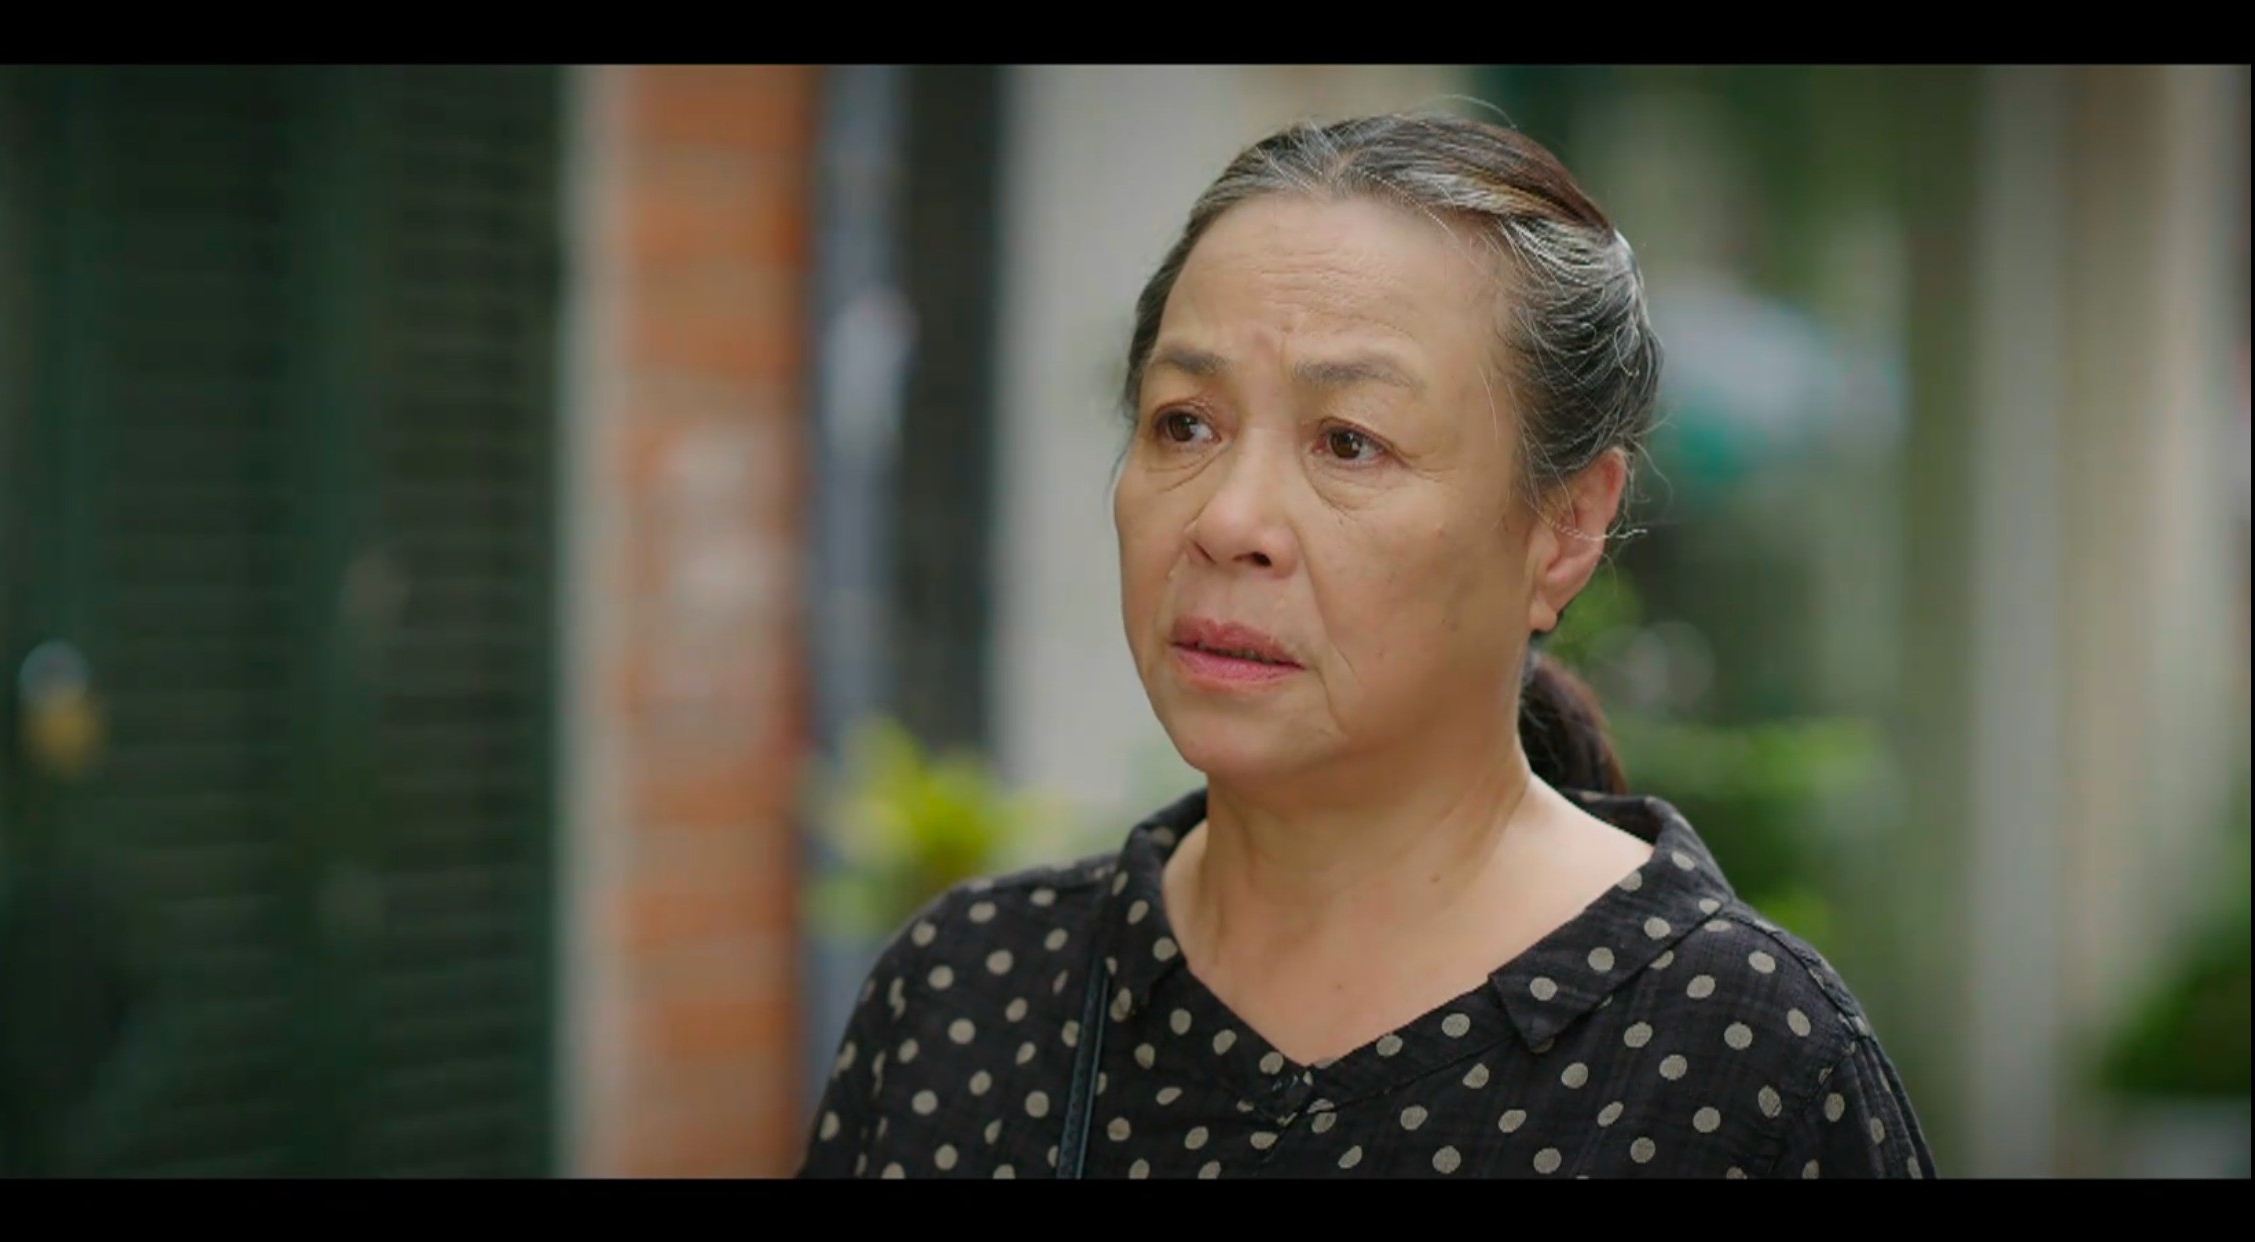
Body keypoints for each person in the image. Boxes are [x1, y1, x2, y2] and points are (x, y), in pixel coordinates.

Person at [795, 112, 1934, 1179]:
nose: (1229, 521)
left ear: (1566, 527)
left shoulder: (1742, 1062)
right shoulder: (964, 1000)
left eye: (1349, 442)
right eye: (1184, 423)